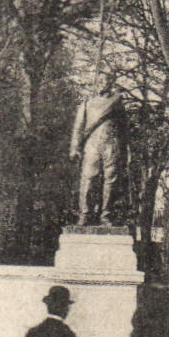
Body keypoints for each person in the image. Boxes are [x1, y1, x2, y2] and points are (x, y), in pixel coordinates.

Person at [70, 72, 126, 225]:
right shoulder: (88, 103)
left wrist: (124, 148)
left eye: (106, 80)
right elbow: (78, 127)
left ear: (111, 83)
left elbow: (124, 127)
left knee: (111, 180)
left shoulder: (117, 101)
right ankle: (85, 214)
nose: (103, 83)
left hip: (110, 144)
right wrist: (75, 147)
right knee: (88, 178)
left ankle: (106, 215)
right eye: (100, 80)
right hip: (92, 144)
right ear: (96, 83)